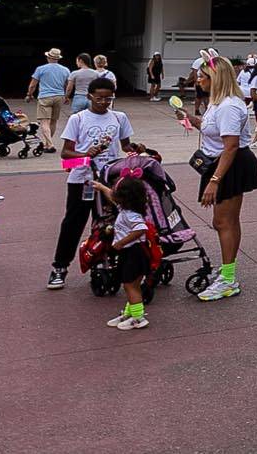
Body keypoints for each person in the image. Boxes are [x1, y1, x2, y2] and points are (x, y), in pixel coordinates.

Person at [47, 76, 133, 290]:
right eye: (99, 98)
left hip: (110, 180)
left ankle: (106, 263)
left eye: (108, 98)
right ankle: (60, 267)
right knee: (73, 224)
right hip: (82, 180)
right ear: (89, 97)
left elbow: (126, 146)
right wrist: (86, 154)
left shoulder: (120, 117)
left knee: (108, 224)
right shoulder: (78, 119)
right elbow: (66, 154)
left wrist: (137, 151)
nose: (104, 102)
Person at [191, 51, 257, 299]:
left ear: (215, 77)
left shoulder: (229, 105)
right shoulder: (218, 102)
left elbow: (230, 146)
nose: (199, 80)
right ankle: (227, 272)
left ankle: (229, 279)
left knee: (223, 222)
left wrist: (214, 181)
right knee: (225, 221)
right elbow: (216, 132)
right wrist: (191, 120)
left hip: (229, 166)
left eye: (202, 76)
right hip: (221, 164)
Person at [101, 175, 159, 331]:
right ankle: (130, 312)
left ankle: (138, 317)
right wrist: (100, 187)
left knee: (130, 285)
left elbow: (141, 229)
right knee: (131, 285)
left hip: (134, 252)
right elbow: (111, 197)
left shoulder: (131, 215)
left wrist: (121, 242)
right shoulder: (125, 209)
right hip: (131, 252)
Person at [29, 49, 72, 146]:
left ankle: (50, 144)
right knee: (53, 121)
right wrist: (66, 96)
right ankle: (47, 144)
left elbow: (33, 85)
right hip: (59, 96)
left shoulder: (41, 69)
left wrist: (29, 94)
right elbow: (67, 85)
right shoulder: (65, 70)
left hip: (45, 97)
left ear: (48, 57)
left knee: (44, 121)